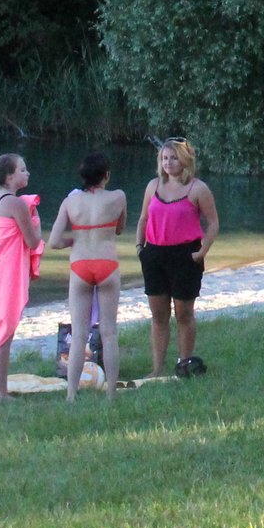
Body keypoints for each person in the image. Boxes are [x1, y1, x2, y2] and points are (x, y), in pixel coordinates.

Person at [47, 151, 128, 399]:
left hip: (80, 264)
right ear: (106, 175)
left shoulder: (70, 202)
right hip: (107, 263)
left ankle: (71, 394)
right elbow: (120, 229)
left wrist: (76, 239)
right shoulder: (118, 197)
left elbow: (53, 241)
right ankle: (111, 393)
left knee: (79, 334)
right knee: (109, 332)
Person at [138, 138, 220, 376]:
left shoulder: (198, 188)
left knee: (184, 314)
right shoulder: (153, 186)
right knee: (158, 316)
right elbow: (143, 218)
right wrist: (139, 247)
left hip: (185, 256)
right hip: (154, 254)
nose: (168, 162)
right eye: (164, 158)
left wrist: (202, 251)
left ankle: (184, 364)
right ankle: (156, 369)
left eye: (173, 157)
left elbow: (213, 223)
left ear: (185, 160)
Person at [0, 153, 42, 401]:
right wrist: (37, 221)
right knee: (5, 330)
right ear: (10, 176)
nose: (27, 173)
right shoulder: (16, 204)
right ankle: (0, 393)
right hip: (5, 274)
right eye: (23, 170)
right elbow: (32, 241)